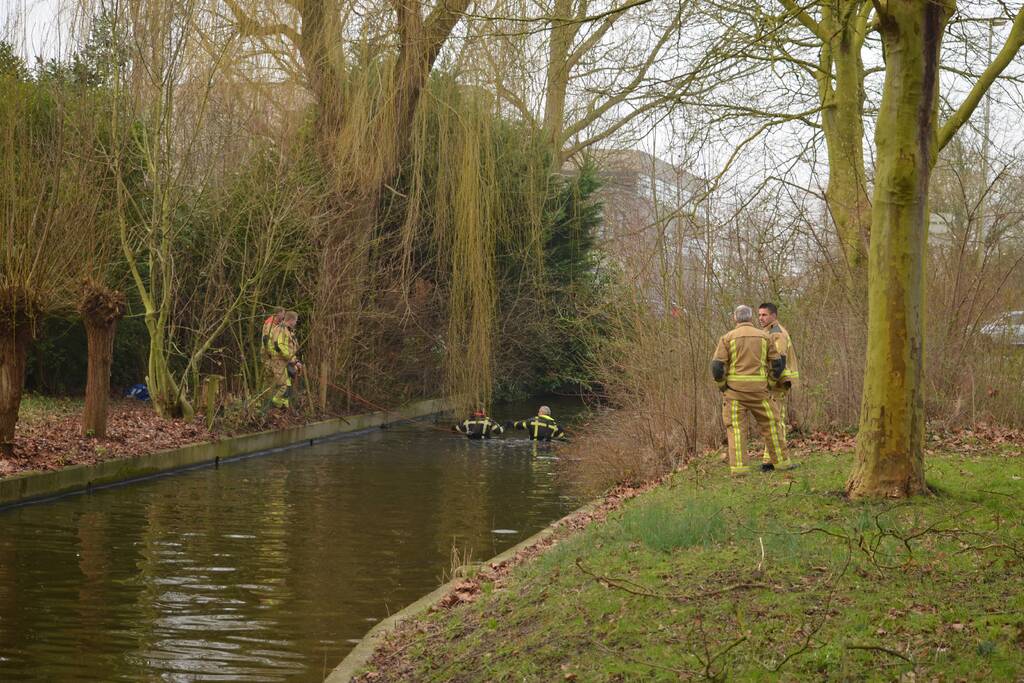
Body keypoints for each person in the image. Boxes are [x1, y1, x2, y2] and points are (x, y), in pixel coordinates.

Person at [711, 304, 790, 474]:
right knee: (772, 425)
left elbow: (717, 368)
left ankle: (740, 469)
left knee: (736, 430)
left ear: (735, 318)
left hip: (734, 394)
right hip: (760, 393)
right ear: (751, 318)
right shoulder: (764, 337)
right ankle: (782, 463)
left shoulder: (727, 338)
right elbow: (777, 364)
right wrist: (769, 383)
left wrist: (723, 386)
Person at [758, 302, 800, 463]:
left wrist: (769, 381)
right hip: (774, 383)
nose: (761, 318)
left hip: (778, 383)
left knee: (776, 420)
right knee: (772, 420)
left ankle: (777, 459)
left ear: (773, 316)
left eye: (764, 315)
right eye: (759, 314)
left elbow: (778, 362)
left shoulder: (777, 333)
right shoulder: (768, 332)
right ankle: (770, 459)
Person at [267, 310, 302, 410]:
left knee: (288, 387)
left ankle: (283, 409)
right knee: (283, 386)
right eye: (296, 321)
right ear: (291, 320)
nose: (296, 323)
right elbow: (281, 346)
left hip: (285, 361)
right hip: (279, 361)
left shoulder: (288, 330)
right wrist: (293, 360)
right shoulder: (281, 329)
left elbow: (290, 347)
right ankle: (273, 406)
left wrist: (295, 360)